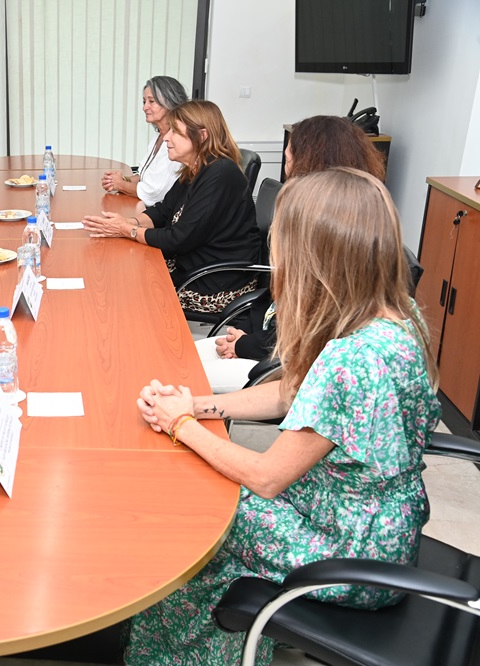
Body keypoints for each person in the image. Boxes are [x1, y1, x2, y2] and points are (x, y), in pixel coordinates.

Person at [127, 167, 441, 665]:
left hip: (348, 554)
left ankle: (174, 656)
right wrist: (194, 406)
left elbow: (267, 477)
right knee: (202, 486)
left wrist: (180, 426)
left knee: (193, 518)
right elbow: (288, 394)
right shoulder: (397, 313)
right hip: (378, 524)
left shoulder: (353, 360)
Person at [198, 115, 388, 392]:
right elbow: (280, 301)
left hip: (291, 364)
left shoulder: (326, 231)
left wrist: (244, 344)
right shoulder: (341, 218)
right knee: (176, 359)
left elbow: (311, 331)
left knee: (182, 373)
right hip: (267, 340)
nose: (286, 171)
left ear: (311, 163)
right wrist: (244, 335)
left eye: (288, 160)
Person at [83, 100, 261, 313]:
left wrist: (127, 230)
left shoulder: (221, 174)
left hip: (213, 281)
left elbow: (178, 239)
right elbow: (162, 211)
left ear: (202, 136)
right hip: (191, 265)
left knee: (128, 288)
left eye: (175, 131)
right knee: (120, 271)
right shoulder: (195, 168)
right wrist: (127, 223)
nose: (166, 137)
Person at [100, 76, 189, 207]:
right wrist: (119, 179)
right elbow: (143, 176)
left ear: (170, 103)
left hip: (159, 215)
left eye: (151, 101)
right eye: (144, 102)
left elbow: (155, 193)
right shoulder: (157, 137)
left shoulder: (178, 143)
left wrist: (121, 184)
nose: (145, 107)